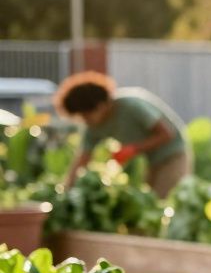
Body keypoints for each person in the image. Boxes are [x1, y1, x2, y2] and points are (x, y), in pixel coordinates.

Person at [54, 72, 191, 198]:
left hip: (173, 154)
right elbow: (83, 159)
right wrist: (66, 189)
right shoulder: (93, 128)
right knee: (150, 200)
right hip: (152, 160)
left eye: (87, 114)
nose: (85, 120)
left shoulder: (131, 105)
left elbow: (167, 134)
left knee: (164, 198)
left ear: (101, 105)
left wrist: (132, 149)